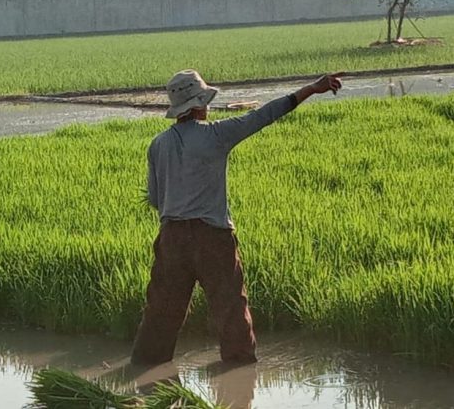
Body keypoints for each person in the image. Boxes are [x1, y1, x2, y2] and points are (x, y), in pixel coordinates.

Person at [131, 70, 343, 366]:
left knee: (161, 312)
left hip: (171, 239)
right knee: (230, 309)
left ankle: (144, 373)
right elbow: (265, 115)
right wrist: (311, 88)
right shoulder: (216, 134)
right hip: (212, 237)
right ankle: (239, 375)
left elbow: (155, 199)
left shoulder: (158, 144)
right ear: (199, 104)